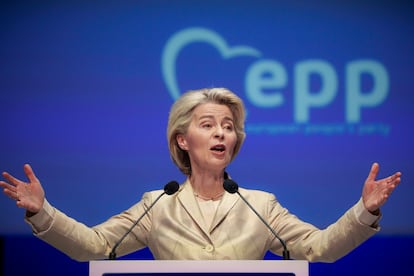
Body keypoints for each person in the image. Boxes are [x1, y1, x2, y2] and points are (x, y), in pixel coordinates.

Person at [1, 87, 401, 261]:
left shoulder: (261, 206)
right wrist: (42, 212)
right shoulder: (156, 206)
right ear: (182, 140)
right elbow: (95, 247)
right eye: (208, 124)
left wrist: (364, 211)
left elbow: (319, 248)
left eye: (228, 126)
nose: (221, 133)